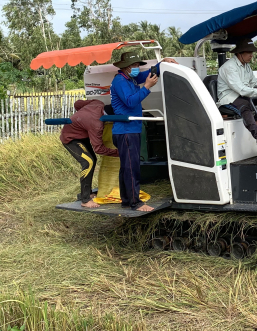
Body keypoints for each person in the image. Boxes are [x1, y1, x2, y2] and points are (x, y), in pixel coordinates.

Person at [110, 51, 177, 212]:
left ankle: (127, 200)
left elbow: (146, 74)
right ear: (125, 67)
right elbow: (130, 101)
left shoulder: (130, 78)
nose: (136, 68)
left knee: (127, 166)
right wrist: (147, 87)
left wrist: (161, 63)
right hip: (126, 130)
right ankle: (135, 202)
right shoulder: (119, 81)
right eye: (133, 65)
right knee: (132, 167)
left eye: (137, 65)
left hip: (131, 128)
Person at [60, 99, 119, 209]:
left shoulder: (97, 103)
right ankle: (85, 200)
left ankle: (86, 193)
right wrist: (117, 153)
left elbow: (77, 103)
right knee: (88, 162)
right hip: (71, 139)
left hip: (81, 135)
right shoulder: (97, 124)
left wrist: (81, 116)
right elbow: (99, 149)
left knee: (92, 160)